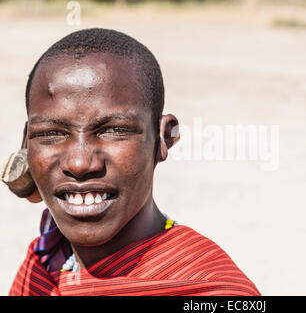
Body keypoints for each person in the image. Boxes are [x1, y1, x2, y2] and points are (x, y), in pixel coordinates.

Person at [9, 28, 260, 296]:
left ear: (164, 138)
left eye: (114, 130)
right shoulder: (47, 260)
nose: (80, 163)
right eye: (51, 134)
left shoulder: (207, 292)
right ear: (26, 145)